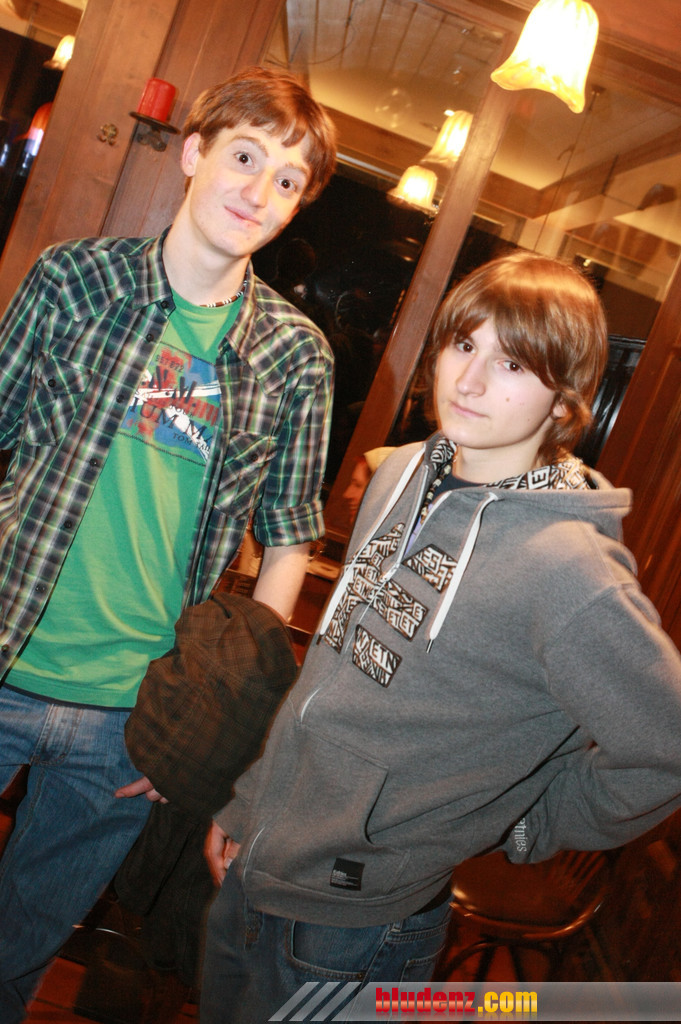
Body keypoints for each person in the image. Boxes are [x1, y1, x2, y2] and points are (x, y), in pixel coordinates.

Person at [200, 251, 681, 1023]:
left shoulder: (568, 569)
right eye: (463, 344)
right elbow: (331, 680)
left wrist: (527, 820)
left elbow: (665, 743)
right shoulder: (400, 472)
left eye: (512, 362)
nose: (470, 379)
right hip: (261, 865)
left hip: (360, 925)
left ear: (564, 398)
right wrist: (249, 803)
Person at [0, 64, 336, 1020]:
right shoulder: (73, 279)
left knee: (20, 951)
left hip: (132, 718)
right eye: (244, 157)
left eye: (285, 180)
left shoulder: (296, 357)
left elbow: (286, 544)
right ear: (193, 154)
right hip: (7, 654)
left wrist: (205, 726)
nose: (257, 191)